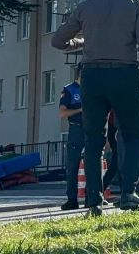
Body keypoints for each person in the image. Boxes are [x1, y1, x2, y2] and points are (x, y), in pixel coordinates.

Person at [51, 0, 139, 215]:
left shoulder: (86, 6)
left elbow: (58, 41)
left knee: (94, 139)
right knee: (132, 135)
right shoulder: (136, 3)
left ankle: (93, 199)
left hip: (92, 76)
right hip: (125, 75)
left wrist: (83, 43)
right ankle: (129, 192)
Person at [59, 70, 85, 210]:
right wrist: (80, 110)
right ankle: (72, 199)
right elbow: (62, 113)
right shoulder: (69, 90)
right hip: (76, 129)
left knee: (94, 163)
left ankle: (94, 197)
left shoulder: (93, 87)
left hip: (91, 129)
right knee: (72, 165)